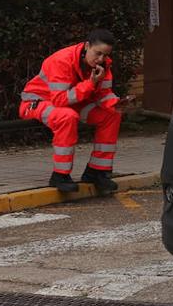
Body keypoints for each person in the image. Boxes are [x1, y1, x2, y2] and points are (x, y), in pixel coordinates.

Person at [18, 29, 121, 193]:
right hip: (37, 101)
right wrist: (90, 84)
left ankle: (96, 172)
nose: (101, 59)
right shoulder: (62, 60)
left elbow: (104, 94)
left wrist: (116, 103)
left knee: (112, 114)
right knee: (67, 116)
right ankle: (60, 175)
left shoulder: (104, 64)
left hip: (72, 103)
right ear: (87, 46)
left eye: (105, 55)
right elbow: (59, 100)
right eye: (98, 53)